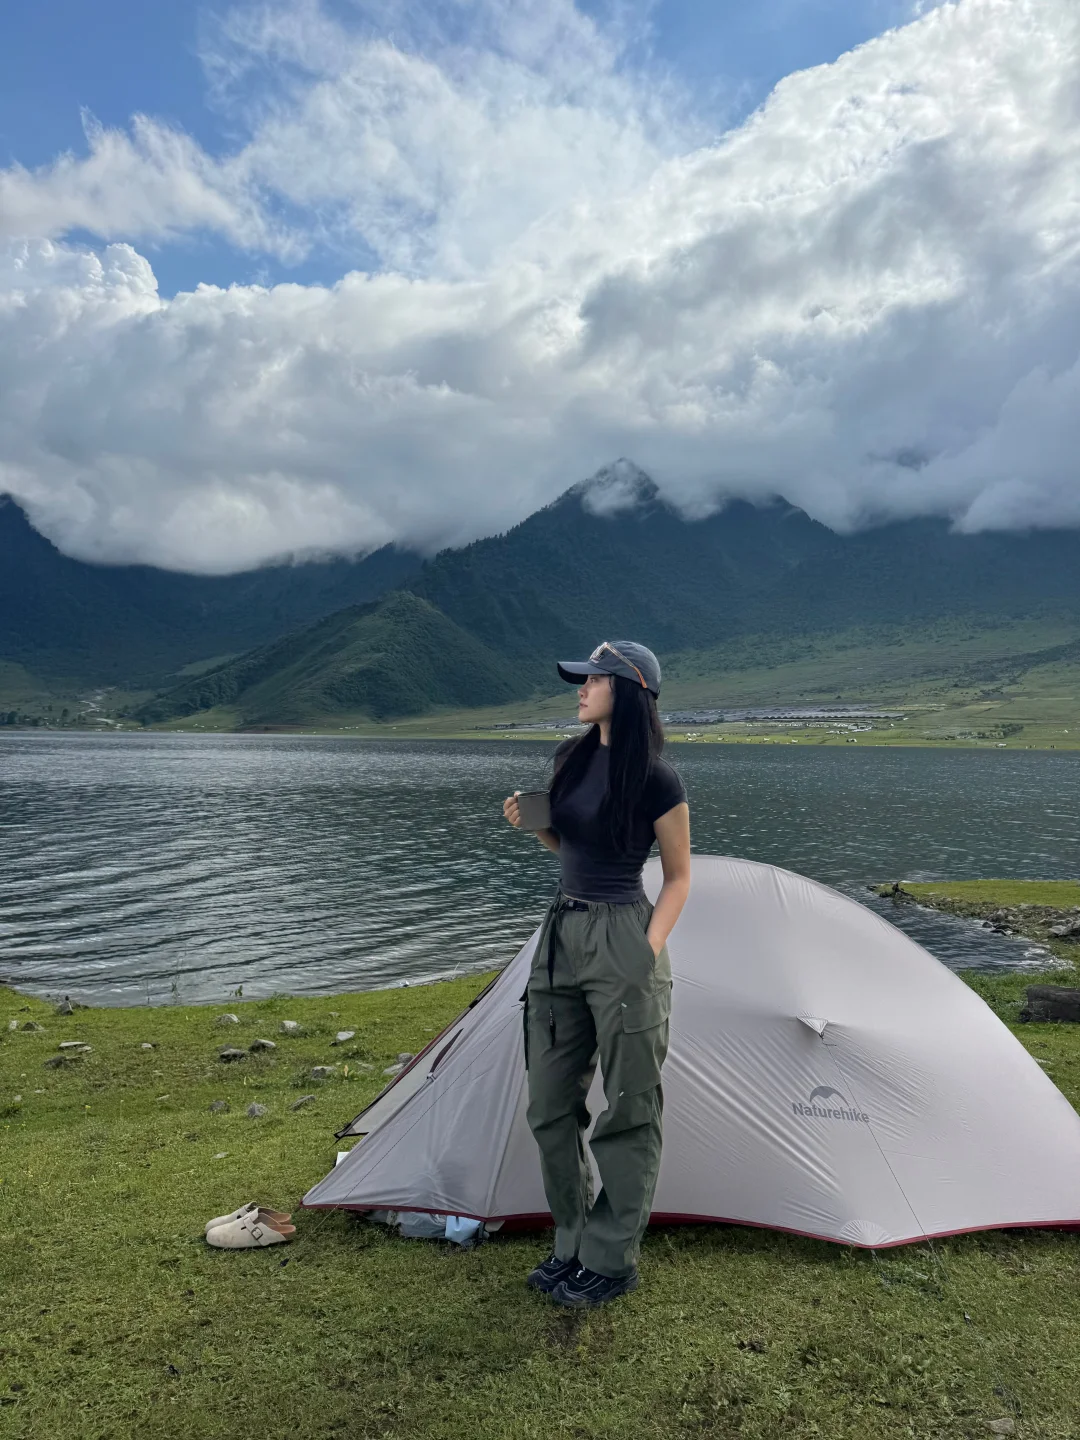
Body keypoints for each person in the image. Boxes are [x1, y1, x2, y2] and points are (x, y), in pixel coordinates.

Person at [502, 640, 691, 1308]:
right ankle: (572, 1241)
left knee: (630, 1106)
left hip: (624, 933)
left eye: (592, 680)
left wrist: (648, 947)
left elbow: (678, 878)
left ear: (631, 690)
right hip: (562, 931)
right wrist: (538, 828)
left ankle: (612, 1259)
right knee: (550, 1103)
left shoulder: (658, 779)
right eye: (579, 680)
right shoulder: (570, 757)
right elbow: (571, 846)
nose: (579, 689)